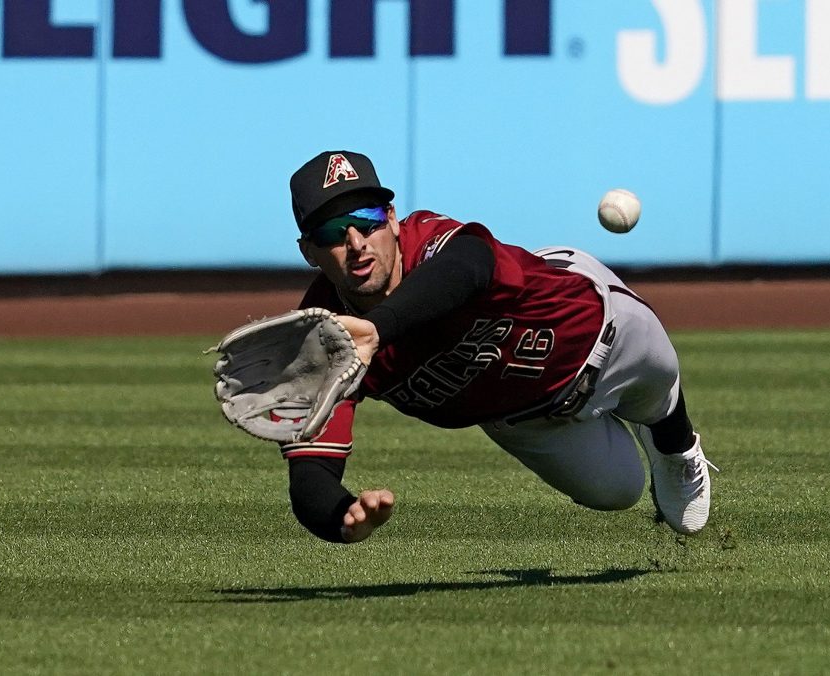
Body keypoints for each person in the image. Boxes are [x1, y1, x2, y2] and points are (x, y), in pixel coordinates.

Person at [282, 150, 717, 544]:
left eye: (368, 218)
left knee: (658, 380)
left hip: (598, 328)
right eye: (334, 232)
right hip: (523, 420)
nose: (358, 242)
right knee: (618, 492)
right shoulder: (324, 342)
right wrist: (342, 516)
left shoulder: (430, 245)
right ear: (309, 252)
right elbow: (310, 475)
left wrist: (378, 328)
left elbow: (471, 265)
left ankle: (673, 443)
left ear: (393, 219)